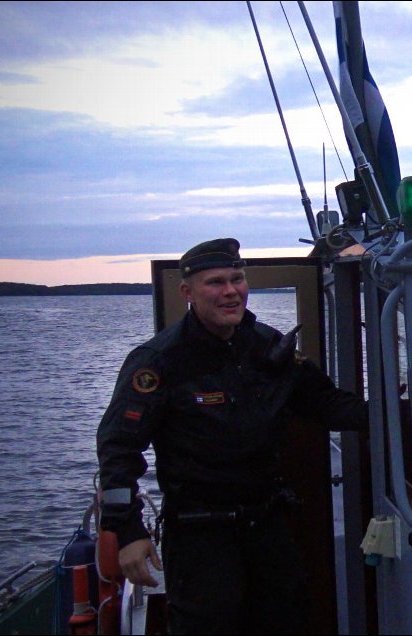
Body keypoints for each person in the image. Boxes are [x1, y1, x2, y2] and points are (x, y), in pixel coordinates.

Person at [96, 238, 367, 634]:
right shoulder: (159, 362)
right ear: (187, 292)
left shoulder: (267, 346)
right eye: (216, 283)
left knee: (288, 620)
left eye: (237, 279)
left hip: (267, 525)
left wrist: (388, 412)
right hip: (199, 535)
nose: (230, 291)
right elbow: (118, 447)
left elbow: (324, 403)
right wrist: (127, 531)